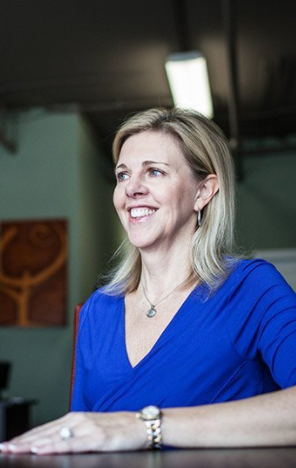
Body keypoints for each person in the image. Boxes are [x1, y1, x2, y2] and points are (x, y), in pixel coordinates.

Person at [1, 107, 296, 454]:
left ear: (203, 192)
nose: (132, 189)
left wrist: (146, 426)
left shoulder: (253, 289)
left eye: (154, 172)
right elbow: (83, 437)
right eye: (123, 175)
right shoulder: (99, 310)